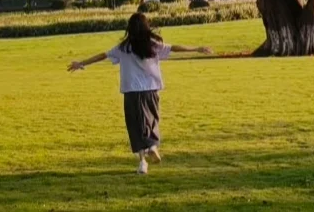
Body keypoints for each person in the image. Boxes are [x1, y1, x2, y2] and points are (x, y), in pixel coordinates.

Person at [67, 12, 213, 175]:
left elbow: (103, 55)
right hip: (151, 89)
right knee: (152, 120)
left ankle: (143, 162)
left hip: (131, 92)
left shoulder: (124, 47)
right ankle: (152, 146)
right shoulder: (153, 44)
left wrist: (81, 63)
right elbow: (174, 48)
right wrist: (197, 48)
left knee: (135, 127)